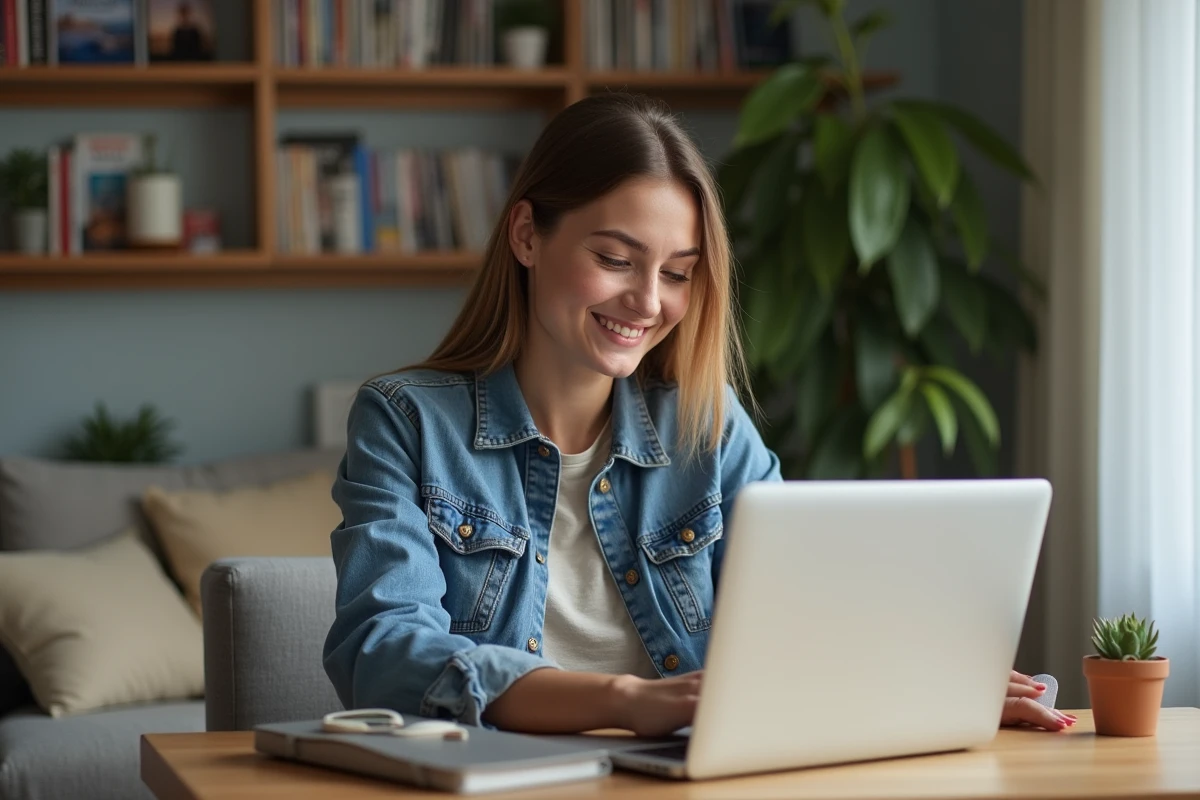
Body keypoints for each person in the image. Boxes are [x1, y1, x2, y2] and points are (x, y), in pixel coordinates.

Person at [322, 93, 1074, 737]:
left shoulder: (706, 429)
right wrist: (628, 700)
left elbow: (814, 610)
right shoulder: (406, 421)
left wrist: (933, 681)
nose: (649, 302)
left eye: (677, 273)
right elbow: (383, 652)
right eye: (616, 259)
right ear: (526, 235)